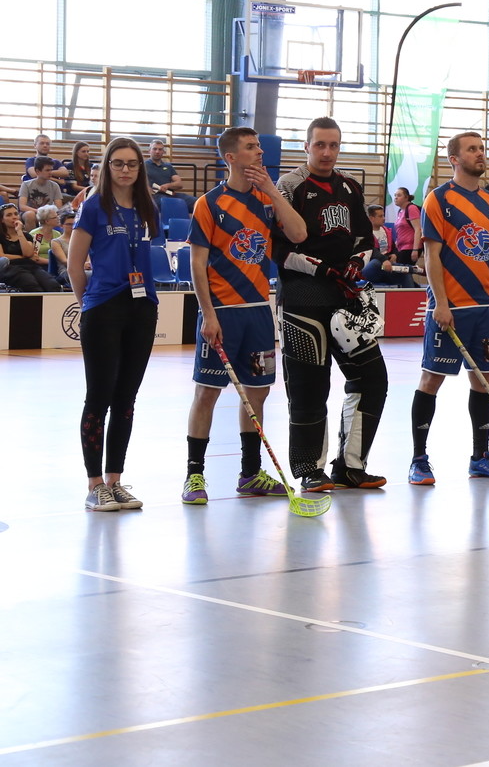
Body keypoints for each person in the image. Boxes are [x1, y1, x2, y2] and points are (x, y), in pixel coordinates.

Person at [182, 126, 309, 504]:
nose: (259, 152)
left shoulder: (266, 199)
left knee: (257, 392)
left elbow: (299, 234)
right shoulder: (209, 204)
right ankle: (194, 476)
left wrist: (272, 190)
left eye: (258, 146)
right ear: (231, 157)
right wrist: (208, 314)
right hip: (222, 313)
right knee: (207, 392)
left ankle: (251, 473)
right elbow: (197, 264)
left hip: (257, 313)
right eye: (251, 147)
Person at [274, 117, 388, 492]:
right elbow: (280, 249)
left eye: (333, 145)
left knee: (372, 378)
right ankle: (310, 468)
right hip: (302, 298)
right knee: (309, 387)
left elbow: (365, 240)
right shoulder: (289, 186)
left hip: (345, 299)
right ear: (306, 146)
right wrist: (320, 268)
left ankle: (351, 466)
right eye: (320, 144)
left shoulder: (350, 187)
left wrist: (357, 262)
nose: (327, 152)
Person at [406, 132, 489, 484]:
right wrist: (440, 303)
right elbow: (431, 255)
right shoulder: (438, 199)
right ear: (454, 159)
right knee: (431, 379)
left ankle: (480, 457)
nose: (480, 154)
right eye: (472, 149)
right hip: (450, 309)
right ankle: (419, 460)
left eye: (482, 148)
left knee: (484, 380)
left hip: (484, 309)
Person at [66, 138, 161, 512]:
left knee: (126, 398)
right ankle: (94, 485)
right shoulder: (94, 206)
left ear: (140, 168)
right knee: (99, 396)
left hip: (143, 308)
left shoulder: (147, 207)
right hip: (104, 308)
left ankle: (115, 481)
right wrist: (88, 305)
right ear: (107, 167)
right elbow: (75, 265)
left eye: (132, 164)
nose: (125, 170)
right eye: (118, 163)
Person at [1, 203, 61, 292]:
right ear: (2, 219)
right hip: (9, 267)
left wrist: (19, 231)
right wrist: (23, 257)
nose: (14, 217)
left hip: (30, 266)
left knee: (53, 285)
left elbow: (28, 253)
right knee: (32, 285)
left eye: (16, 214)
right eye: (9, 215)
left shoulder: (26, 235)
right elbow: (2, 257)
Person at [361, 204, 415, 287]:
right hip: (371, 268)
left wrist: (394, 254)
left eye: (383, 216)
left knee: (405, 273)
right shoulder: (365, 233)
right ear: (371, 218)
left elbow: (393, 247)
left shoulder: (387, 231)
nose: (384, 218)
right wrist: (384, 260)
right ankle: (411, 268)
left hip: (386, 267)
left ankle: (412, 292)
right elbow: (372, 251)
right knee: (376, 262)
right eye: (380, 216)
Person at [145, 138, 196, 210]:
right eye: (154, 149)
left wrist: (168, 185)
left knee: (198, 202)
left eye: (160, 149)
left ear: (163, 152)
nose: (157, 151)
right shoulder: (143, 166)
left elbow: (179, 184)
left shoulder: (168, 166)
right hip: (155, 197)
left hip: (170, 194)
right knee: (170, 203)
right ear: (149, 151)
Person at [20, 155, 65, 228]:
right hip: (31, 212)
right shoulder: (26, 184)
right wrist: (40, 212)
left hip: (48, 214)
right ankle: (32, 235)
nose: (50, 173)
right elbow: (22, 206)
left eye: (51, 170)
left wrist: (48, 214)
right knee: (30, 215)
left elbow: (58, 207)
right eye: (47, 170)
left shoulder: (55, 185)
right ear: (37, 171)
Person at [30, 204, 70, 280]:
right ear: (47, 221)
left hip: (58, 266)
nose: (58, 218)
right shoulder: (37, 235)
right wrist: (51, 262)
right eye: (55, 217)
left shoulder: (57, 233)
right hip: (41, 267)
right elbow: (35, 258)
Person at [392, 187, 423, 272]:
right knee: (402, 273)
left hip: (410, 247)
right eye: (395, 195)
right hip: (401, 247)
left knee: (401, 272)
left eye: (399, 195)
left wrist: (415, 250)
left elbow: (418, 229)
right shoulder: (400, 211)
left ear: (406, 197)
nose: (396, 198)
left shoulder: (411, 208)